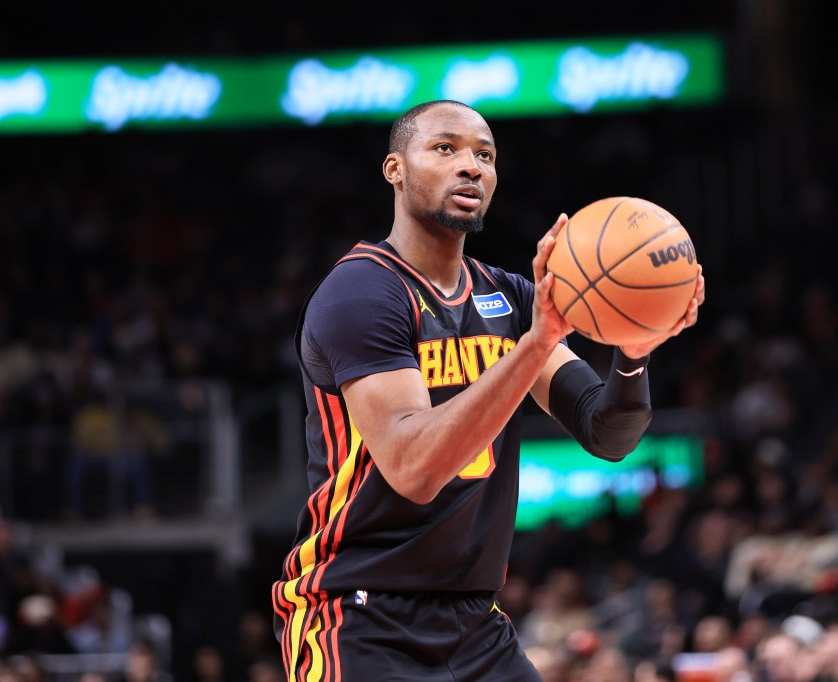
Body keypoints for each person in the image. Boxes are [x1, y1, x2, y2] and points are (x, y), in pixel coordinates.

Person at [271, 99, 704, 681]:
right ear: (394, 169)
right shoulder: (362, 293)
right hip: (359, 615)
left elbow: (609, 432)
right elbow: (414, 467)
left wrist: (634, 347)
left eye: (485, 155)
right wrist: (534, 344)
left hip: (475, 620)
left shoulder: (514, 298)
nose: (471, 166)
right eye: (445, 149)